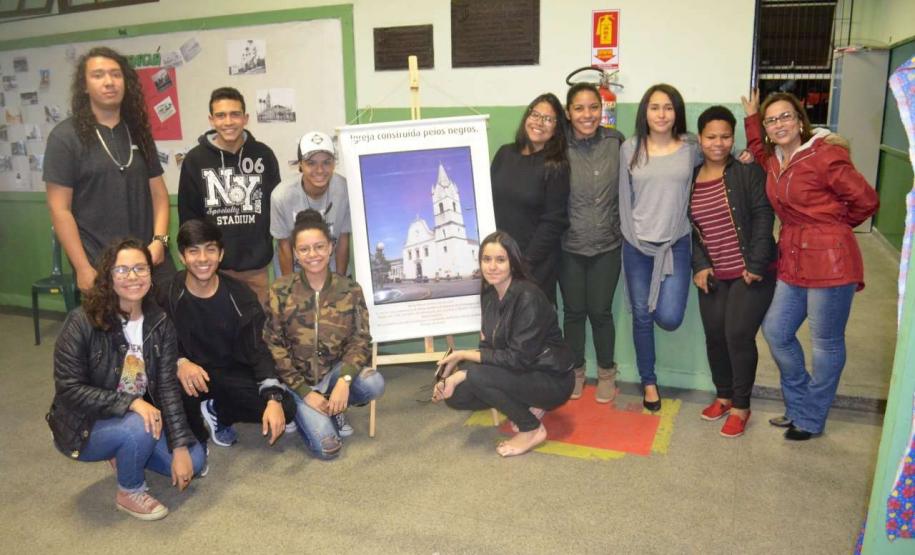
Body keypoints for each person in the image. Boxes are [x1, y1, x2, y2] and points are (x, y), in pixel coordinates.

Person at [742, 90, 879, 440]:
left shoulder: (825, 156)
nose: (779, 124)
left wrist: (833, 227)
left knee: (825, 343)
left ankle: (811, 417)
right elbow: (758, 151)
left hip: (831, 262)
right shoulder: (775, 159)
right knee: (776, 331)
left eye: (785, 116)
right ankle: (800, 401)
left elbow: (867, 200)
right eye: (772, 120)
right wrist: (751, 117)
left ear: (800, 119)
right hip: (793, 259)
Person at [47, 238, 206, 521]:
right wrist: (131, 403)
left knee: (195, 460)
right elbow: (69, 389)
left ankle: (121, 449)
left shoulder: (159, 321)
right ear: (108, 276)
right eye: (122, 270)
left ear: (150, 274)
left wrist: (180, 446)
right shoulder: (81, 322)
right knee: (139, 426)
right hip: (83, 425)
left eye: (140, 269)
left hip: (131, 414)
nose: (133, 277)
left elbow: (168, 386)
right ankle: (129, 490)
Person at [44, 46, 174, 296]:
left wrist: (159, 243)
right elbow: (59, 210)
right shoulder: (64, 137)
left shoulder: (138, 132)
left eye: (116, 74)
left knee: (163, 330)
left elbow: (159, 195)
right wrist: (82, 267)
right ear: (84, 85)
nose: (109, 82)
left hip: (150, 260)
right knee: (112, 334)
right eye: (98, 75)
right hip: (100, 265)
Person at [433, 231, 575, 458]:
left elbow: (517, 359)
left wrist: (463, 358)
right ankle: (530, 404)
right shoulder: (490, 296)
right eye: (486, 259)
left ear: (513, 262)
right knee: (457, 395)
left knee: (475, 375)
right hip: (521, 371)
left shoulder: (528, 296)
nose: (492, 266)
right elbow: (490, 348)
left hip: (551, 378)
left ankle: (532, 429)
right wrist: (458, 376)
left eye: (500, 260)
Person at [165, 219, 297, 448]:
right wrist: (179, 361)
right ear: (182, 257)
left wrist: (273, 398)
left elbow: (259, 348)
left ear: (221, 254)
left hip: (228, 374)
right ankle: (194, 424)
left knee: (286, 407)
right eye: (194, 251)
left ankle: (218, 411)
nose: (203, 259)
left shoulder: (240, 295)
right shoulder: (167, 292)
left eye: (211, 250)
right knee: (165, 394)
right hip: (188, 375)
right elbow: (155, 339)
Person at [263, 209, 384, 459]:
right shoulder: (281, 290)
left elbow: (361, 339)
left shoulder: (350, 289)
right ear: (295, 254)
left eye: (319, 246)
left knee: (374, 382)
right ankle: (303, 408)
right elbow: (274, 345)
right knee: (329, 449)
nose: (313, 254)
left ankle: (335, 404)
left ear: (330, 247)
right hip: (298, 383)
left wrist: (345, 381)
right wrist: (305, 392)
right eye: (304, 249)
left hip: (334, 374)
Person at [689, 106, 776, 438]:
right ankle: (723, 395)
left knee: (737, 335)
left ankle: (741, 405)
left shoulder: (746, 172)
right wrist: (699, 264)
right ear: (700, 139)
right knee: (714, 335)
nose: (718, 143)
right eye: (711, 137)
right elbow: (691, 229)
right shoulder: (692, 177)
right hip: (713, 273)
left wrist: (755, 264)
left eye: (725, 136)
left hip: (749, 272)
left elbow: (763, 217)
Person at [619, 83, 700, 412]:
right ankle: (649, 382)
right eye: (655, 107)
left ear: (677, 112)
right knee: (641, 315)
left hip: (675, 243)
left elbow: (723, 156)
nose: (662, 114)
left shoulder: (691, 147)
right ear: (645, 112)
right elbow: (623, 196)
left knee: (668, 317)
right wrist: (629, 235)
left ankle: (650, 374)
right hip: (637, 244)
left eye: (668, 107)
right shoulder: (630, 148)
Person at [177, 87, 281, 304]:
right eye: (221, 115)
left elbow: (275, 208)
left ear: (245, 118)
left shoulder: (264, 155)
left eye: (235, 114)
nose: (228, 121)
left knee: (257, 332)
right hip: (213, 271)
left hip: (256, 270)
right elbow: (189, 218)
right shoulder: (195, 160)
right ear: (211, 120)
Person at [559, 83, 627, 403]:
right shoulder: (558, 146)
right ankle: (574, 372)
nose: (587, 115)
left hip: (607, 244)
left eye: (593, 107)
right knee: (573, 312)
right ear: (568, 112)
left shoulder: (617, 142)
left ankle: (606, 374)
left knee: (600, 312)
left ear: (602, 110)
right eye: (579, 108)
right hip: (569, 245)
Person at [490, 92, 570, 304]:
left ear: (556, 128)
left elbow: (554, 221)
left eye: (548, 119)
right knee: (498, 327)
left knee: (531, 330)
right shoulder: (504, 154)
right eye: (535, 115)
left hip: (534, 265)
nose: (539, 122)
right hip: (498, 261)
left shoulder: (556, 165)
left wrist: (523, 263)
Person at [271, 131, 351, 277]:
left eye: (326, 162)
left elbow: (343, 240)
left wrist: (340, 284)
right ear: (300, 164)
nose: (320, 170)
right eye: (311, 163)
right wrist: (291, 288)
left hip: (330, 268)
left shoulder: (344, 189)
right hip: (295, 270)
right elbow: (284, 246)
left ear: (334, 163)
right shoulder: (281, 196)